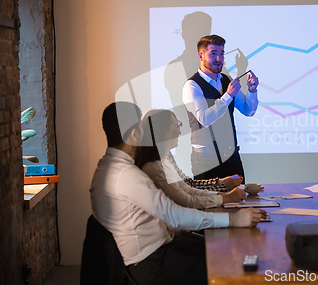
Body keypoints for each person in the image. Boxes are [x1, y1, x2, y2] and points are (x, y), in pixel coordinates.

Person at [90, 102, 267, 285]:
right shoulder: (128, 175)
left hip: (155, 253)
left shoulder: (105, 169)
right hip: (154, 263)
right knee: (230, 266)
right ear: (135, 135)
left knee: (224, 250)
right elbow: (173, 213)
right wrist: (233, 220)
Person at [182, 34, 259, 180]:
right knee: (211, 202)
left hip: (231, 156)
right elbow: (204, 119)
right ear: (200, 56)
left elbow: (248, 110)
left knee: (240, 199)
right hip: (206, 160)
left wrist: (252, 90)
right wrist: (228, 95)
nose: (219, 59)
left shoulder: (226, 80)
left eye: (222, 54)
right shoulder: (192, 86)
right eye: (213, 54)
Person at [135, 109, 246, 209]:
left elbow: (188, 188)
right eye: (177, 126)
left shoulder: (166, 158)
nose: (180, 132)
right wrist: (225, 195)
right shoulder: (155, 167)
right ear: (163, 132)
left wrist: (224, 194)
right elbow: (186, 200)